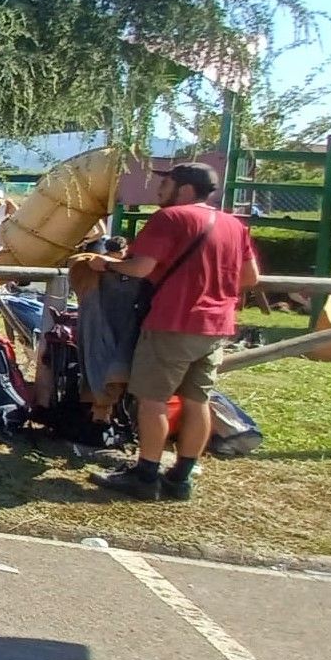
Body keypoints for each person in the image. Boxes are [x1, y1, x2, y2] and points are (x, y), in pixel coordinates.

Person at [91, 163, 258, 502]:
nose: (159, 189)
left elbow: (141, 268)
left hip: (173, 321)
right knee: (198, 400)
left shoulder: (171, 218)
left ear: (184, 189)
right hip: (216, 326)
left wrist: (105, 264)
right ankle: (180, 479)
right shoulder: (233, 225)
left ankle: (146, 473)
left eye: (165, 183)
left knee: (153, 400)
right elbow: (250, 277)